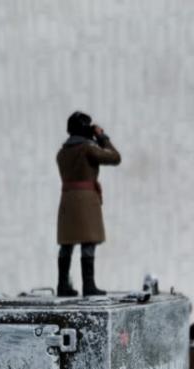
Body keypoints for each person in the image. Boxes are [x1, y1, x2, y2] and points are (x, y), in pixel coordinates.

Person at [56, 111, 121, 297]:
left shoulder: (62, 153)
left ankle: (62, 284)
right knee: (88, 242)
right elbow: (115, 157)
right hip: (86, 199)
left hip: (67, 199)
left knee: (67, 243)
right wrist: (102, 137)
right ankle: (89, 284)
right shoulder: (88, 149)